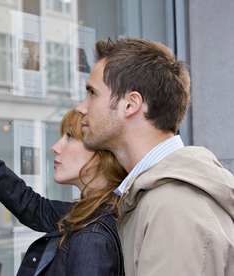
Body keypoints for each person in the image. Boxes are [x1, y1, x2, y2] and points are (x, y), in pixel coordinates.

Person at [75, 36, 234, 275]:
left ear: (131, 104)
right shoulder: (158, 195)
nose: (81, 107)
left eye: (92, 93)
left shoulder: (172, 207)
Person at [0, 104, 127, 275]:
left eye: (70, 137)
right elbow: (33, 207)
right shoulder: (92, 213)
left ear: (102, 153)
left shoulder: (92, 235)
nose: (55, 147)